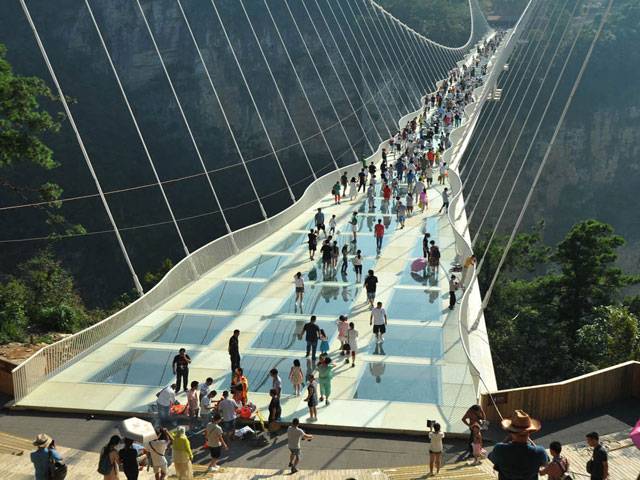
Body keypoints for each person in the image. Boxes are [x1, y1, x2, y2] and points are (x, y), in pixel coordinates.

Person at [487, 410, 549, 480]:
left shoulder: (500, 449)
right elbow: (546, 461)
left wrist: (506, 440)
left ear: (511, 431)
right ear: (530, 432)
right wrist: (532, 444)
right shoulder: (539, 452)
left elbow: (490, 457)